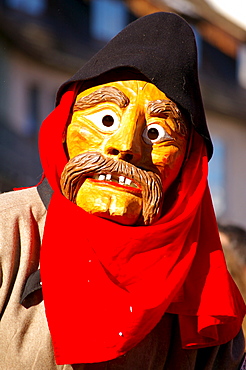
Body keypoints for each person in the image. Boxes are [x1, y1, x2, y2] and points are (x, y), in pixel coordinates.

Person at [0, 12, 245, 370]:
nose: (125, 146)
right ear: (63, 129)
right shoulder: (10, 232)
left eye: (156, 134)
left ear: (188, 165)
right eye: (106, 120)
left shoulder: (206, 288)